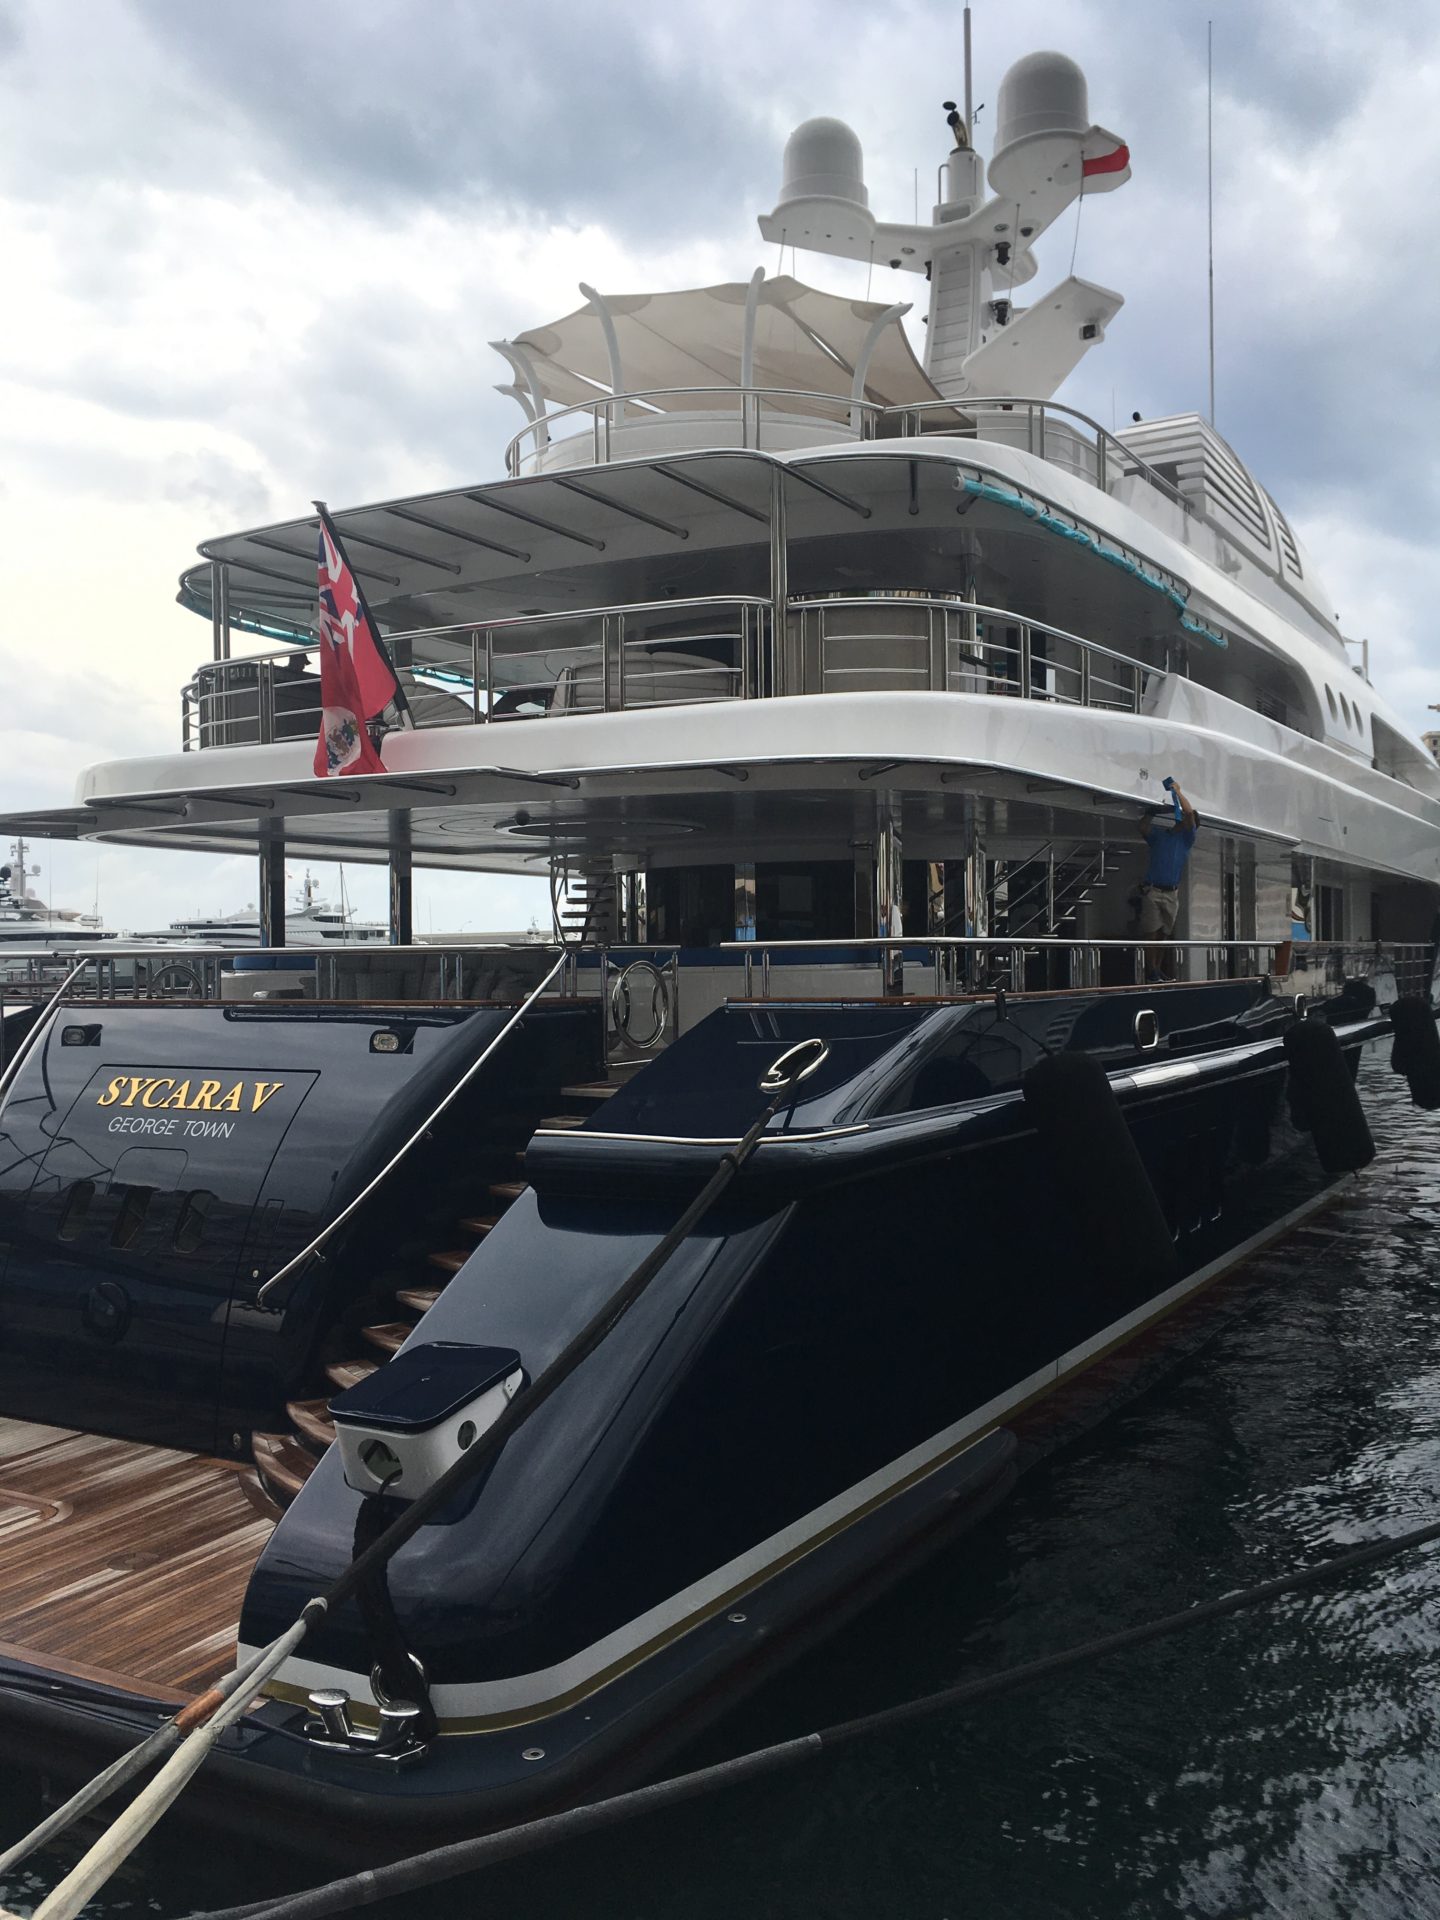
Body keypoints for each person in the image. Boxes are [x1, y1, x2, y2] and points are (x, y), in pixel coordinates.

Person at [1135, 777, 1198, 981]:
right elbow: (1143, 827)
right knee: (1151, 931)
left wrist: (1178, 792)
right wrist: (1151, 812)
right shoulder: (1161, 836)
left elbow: (1189, 813)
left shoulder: (1186, 839)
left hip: (1172, 892)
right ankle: (1151, 970)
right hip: (1153, 890)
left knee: (1164, 932)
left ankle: (1156, 968)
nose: (1188, 822)